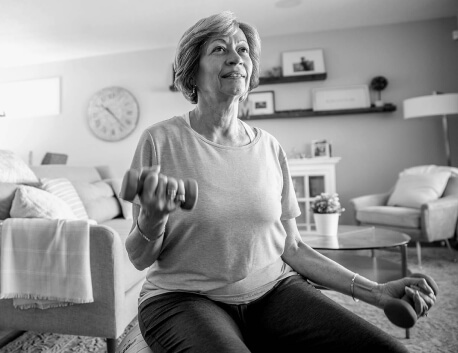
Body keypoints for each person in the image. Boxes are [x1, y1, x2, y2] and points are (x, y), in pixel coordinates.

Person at [125, 11, 435, 353]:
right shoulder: (160, 141)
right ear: (191, 69)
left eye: (243, 50)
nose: (236, 58)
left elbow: (294, 248)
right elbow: (139, 258)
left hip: (273, 290)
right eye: (219, 49)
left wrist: (376, 292)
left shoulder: (269, 147)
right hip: (181, 300)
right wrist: (151, 219)